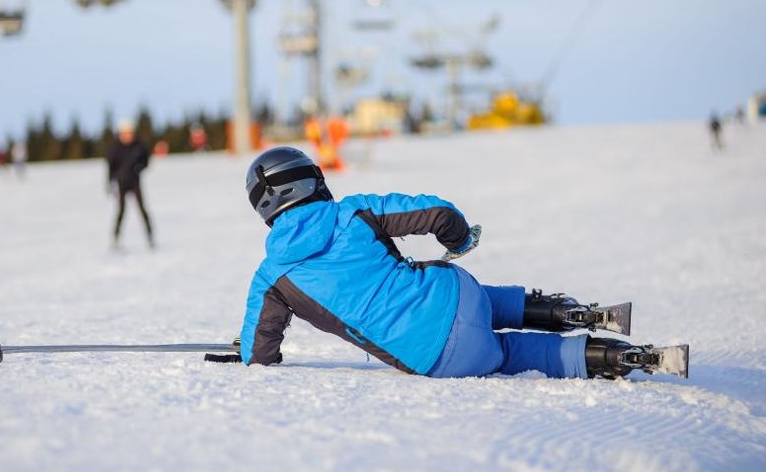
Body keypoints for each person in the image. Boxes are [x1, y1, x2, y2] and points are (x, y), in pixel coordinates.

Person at [239, 147, 677, 380]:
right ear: (312, 180)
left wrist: (249, 353)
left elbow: (260, 352)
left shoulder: (271, 278)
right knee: (477, 299)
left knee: (507, 353)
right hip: (457, 292)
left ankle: (608, 358)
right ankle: (569, 311)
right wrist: (460, 239)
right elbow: (440, 213)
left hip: (436, 355)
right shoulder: (354, 212)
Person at [106, 119, 154, 248]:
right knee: (121, 211)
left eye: (130, 133)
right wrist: (109, 183)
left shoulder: (139, 146)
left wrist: (139, 167)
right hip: (121, 183)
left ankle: (150, 237)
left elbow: (146, 161)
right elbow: (110, 167)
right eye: (125, 133)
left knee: (142, 209)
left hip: (135, 183)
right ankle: (115, 238)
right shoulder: (115, 148)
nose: (128, 136)